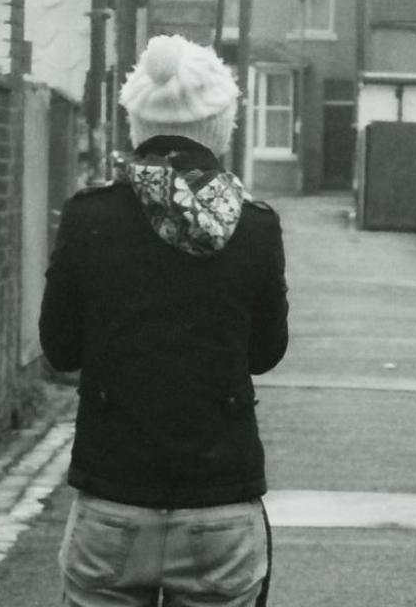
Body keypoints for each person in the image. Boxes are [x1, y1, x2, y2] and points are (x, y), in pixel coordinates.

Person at [39, 34, 290, 607]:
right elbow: (265, 353)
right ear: (224, 122)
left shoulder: (89, 217)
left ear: (134, 121)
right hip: (220, 504)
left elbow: (61, 348)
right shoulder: (254, 227)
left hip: (112, 498)